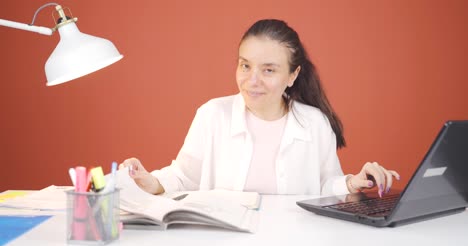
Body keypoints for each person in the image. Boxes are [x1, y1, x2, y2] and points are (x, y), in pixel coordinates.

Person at [119, 19, 400, 197]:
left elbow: (326, 186)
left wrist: (353, 183)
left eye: (268, 70)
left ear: (292, 75)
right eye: (245, 65)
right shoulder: (212, 115)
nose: (252, 81)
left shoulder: (314, 122)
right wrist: (149, 181)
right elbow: (183, 177)